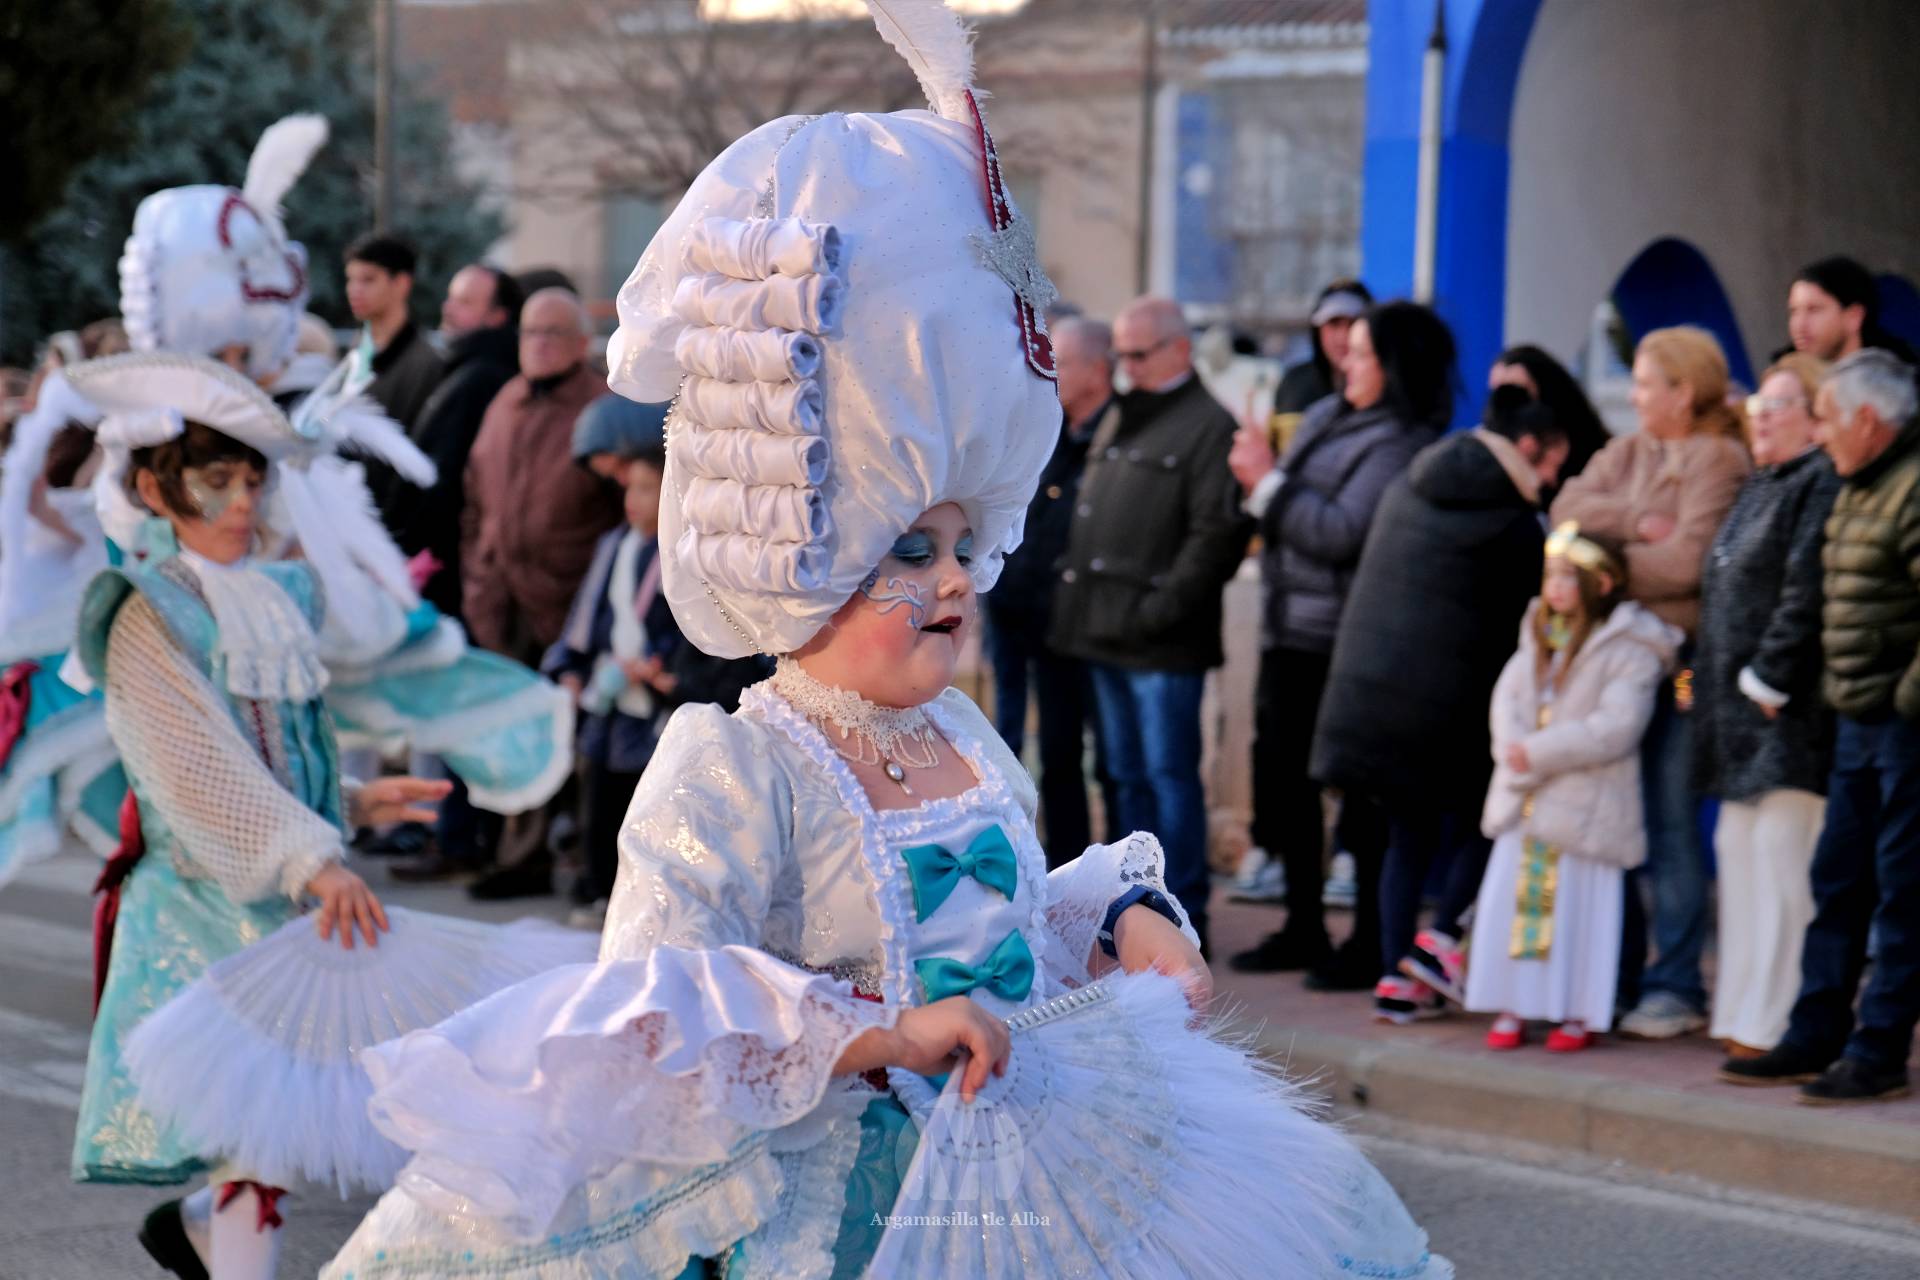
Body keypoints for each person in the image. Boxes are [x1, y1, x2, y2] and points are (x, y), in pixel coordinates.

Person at [323, 12, 1449, 1275]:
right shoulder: (735, 765)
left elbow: (1006, 923)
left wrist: (1123, 914)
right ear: (802, 552)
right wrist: (877, 1031)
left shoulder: (959, 733)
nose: (958, 579)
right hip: (842, 1220)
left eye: (965, 543)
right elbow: (659, 1011)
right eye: (910, 552)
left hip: (1019, 1197)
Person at [65, 353, 455, 1280]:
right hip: (199, 908)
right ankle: (215, 1235)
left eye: (252, 479)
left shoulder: (281, 595)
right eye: (214, 480)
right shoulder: (144, 608)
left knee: (266, 1150)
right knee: (256, 1146)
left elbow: (277, 755)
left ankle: (200, 1226)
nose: (241, 502)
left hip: (277, 900)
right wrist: (309, 857)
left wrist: (349, 805)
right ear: (156, 488)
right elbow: (195, 768)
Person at [1308, 384, 1570, 1021]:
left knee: (1407, 836)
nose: (1554, 481)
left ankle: (1400, 979)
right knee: (1494, 817)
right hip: (1443, 710)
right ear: (1530, 448)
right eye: (1556, 465)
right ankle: (1439, 943)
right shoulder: (1512, 518)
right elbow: (1529, 621)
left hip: (1369, 695)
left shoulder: (1412, 480)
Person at [1225, 301, 1453, 990]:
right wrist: (1260, 483)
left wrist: (1265, 481)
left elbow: (1340, 531)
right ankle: (1302, 924)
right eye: (1345, 352)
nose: (1344, 364)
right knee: (1286, 789)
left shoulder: (1403, 441)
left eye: (1361, 355)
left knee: (1358, 798)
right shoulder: (1328, 417)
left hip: (1349, 642)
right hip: (1289, 629)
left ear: (1396, 365)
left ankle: (1368, 943)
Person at [1722, 349, 1920, 1104]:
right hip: (1857, 722)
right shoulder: (1856, 483)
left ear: (1868, 421)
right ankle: (1816, 1034)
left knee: (1901, 895)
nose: (1821, 433)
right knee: (1838, 881)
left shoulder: (1908, 487)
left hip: (1901, 725)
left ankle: (1878, 1052)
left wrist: (1900, 701)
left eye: (1828, 418)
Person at [1550, 325, 1752, 1039]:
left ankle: (1676, 983)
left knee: (1670, 823)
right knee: (1613, 817)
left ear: (1684, 389)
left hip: (1679, 668)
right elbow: (1565, 511)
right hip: (1610, 664)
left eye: (1645, 383)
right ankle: (1619, 972)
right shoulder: (1629, 450)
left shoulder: (1720, 458)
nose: (1634, 397)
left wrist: (1598, 566)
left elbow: (1691, 563)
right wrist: (1639, 521)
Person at [1048, 295, 1251, 951]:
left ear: (1179, 350)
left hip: (1161, 643)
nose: (1126, 367)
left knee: (1168, 777)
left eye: (1139, 354)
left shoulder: (1207, 425)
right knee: (1122, 777)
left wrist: (1157, 611)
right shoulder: (1126, 415)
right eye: (1121, 355)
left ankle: (1185, 917)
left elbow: (1215, 536)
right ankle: (1133, 910)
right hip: (1103, 632)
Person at [543, 395, 769, 924]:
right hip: (613, 693)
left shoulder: (689, 554)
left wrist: (669, 673)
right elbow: (588, 619)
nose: (635, 502)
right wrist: (573, 668)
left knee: (653, 803)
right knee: (599, 800)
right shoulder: (614, 547)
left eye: (649, 489)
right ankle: (600, 889)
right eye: (632, 490)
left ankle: (652, 899)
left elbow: (696, 631)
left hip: (662, 697)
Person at [1467, 525, 1680, 1052]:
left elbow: (1616, 727)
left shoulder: (1630, 647)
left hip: (1588, 809)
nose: (1555, 588)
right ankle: (1516, 1001)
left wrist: (1536, 753)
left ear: (1603, 583)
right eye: (1550, 576)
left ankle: (1576, 1010)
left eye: (1569, 577)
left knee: (1579, 914)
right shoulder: (1539, 635)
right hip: (1528, 801)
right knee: (1520, 906)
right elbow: (1508, 700)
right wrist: (1512, 748)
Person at [1693, 353, 1842, 1057]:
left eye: (1780, 403)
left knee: (1785, 862)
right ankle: (1741, 1014)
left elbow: (1803, 592)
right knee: (1740, 852)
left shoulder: (1818, 484)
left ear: (1816, 419)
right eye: (1761, 403)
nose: (1761, 414)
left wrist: (1768, 678)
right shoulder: (1763, 484)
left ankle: (1780, 1021)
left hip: (1787, 714)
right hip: (1736, 717)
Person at [458, 286, 623, 898]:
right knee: (516, 733)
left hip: (571, 601)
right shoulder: (506, 402)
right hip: (504, 599)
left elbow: (622, 511)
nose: (540, 344)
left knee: (579, 738)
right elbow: (474, 500)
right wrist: (480, 574)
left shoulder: (602, 408)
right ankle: (520, 857)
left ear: (583, 343)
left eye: (554, 333)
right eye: (530, 332)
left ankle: (583, 859)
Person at [983, 315, 1111, 865]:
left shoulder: (1111, 436)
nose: (1048, 371)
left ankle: (1075, 865)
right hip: (1014, 608)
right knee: (1005, 743)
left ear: (1096, 370)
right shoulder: (1045, 425)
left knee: (1070, 754)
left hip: (1070, 620)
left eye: (1060, 360)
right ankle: (1024, 858)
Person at [373, 263, 523, 619]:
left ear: (497, 316)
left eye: (465, 302)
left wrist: (410, 545)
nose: (448, 308)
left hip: (442, 564)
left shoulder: (481, 378)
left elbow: (444, 477)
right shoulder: (461, 369)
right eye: (451, 298)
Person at [342, 232, 444, 430]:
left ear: (401, 283)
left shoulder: (425, 364)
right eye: (350, 279)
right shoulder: (358, 347)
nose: (354, 289)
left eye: (368, 279)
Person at [1489, 343, 1611, 489]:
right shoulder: (1491, 454)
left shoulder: (1597, 455)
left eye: (1516, 394)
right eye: (1498, 394)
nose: (1505, 404)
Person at [1786, 255, 1915, 364]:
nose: (1799, 325)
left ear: (1854, 316)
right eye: (1794, 311)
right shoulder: (1782, 382)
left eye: (1814, 310)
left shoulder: (1898, 386)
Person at [1273, 279, 1371, 414]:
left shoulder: (1389, 391)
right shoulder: (1295, 384)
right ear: (1317, 330)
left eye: (1353, 324)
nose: (1343, 337)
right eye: (1334, 324)